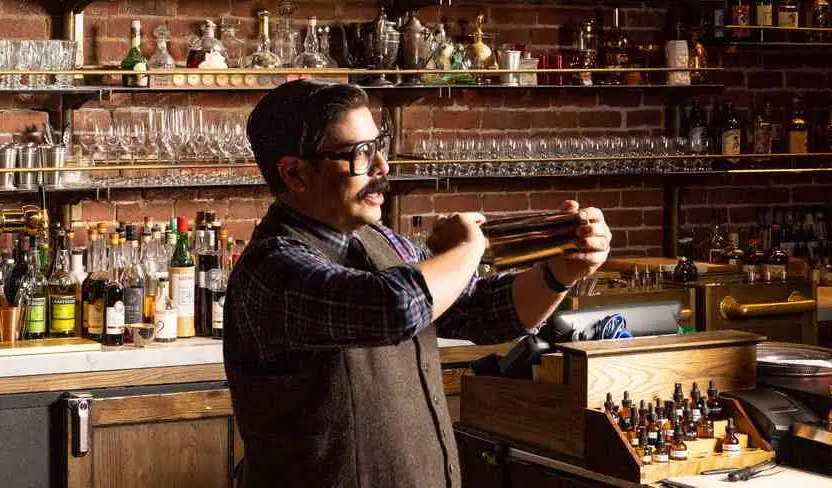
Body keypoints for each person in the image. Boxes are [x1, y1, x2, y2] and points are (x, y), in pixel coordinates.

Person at [226, 81, 612, 488]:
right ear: (295, 173)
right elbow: (394, 308)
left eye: (378, 146)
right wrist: (469, 248)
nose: (382, 167)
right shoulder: (271, 269)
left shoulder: (379, 239)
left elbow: (481, 309)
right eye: (360, 153)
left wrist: (559, 272)